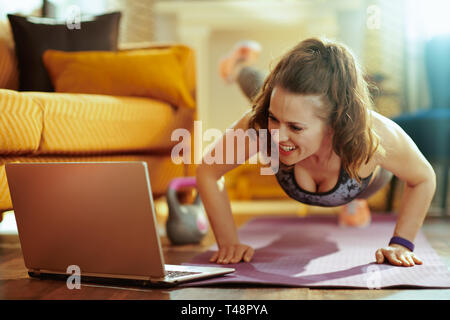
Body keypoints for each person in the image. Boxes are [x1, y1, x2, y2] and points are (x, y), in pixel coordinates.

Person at [196, 38, 436, 268]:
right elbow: (208, 170)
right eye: (274, 120)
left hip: (362, 179)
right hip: (282, 105)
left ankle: (353, 203)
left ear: (335, 123)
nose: (277, 136)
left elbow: (423, 178)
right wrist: (228, 243)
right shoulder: (262, 123)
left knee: (292, 112)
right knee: (259, 89)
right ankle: (238, 64)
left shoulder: (375, 135)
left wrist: (401, 244)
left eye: (295, 128)